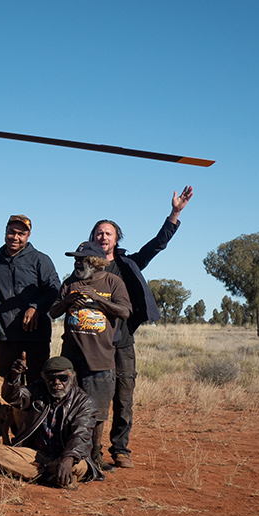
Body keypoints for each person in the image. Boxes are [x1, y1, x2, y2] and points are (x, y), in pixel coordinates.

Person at [91, 186, 194, 469]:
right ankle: (91, 450)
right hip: (92, 346)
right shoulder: (83, 270)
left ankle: (120, 450)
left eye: (107, 233)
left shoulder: (128, 265)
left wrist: (175, 213)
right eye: (98, 233)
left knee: (124, 396)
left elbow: (157, 245)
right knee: (92, 399)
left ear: (116, 239)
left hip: (121, 342)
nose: (103, 237)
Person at [49, 242, 132, 467]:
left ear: (95, 262)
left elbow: (125, 312)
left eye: (81, 260)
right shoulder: (70, 283)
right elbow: (53, 312)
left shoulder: (113, 282)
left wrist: (98, 298)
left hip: (101, 359)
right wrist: (67, 300)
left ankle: (95, 455)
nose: (76, 263)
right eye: (75, 259)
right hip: (71, 359)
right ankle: (69, 452)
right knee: (67, 407)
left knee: (97, 413)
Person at [0, 355, 102, 487]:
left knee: (79, 467)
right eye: (51, 378)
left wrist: (67, 459)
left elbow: (81, 436)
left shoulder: (84, 403)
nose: (57, 383)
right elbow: (13, 398)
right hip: (36, 455)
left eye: (63, 378)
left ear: (72, 377)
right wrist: (14, 377)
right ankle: (49, 476)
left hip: (68, 456)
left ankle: (31, 472)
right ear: (44, 378)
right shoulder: (38, 391)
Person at [0, 215, 61, 385]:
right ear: (5, 232)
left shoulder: (40, 259)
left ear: (28, 236)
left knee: (37, 383)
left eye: (20, 234)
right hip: (6, 336)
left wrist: (36, 308)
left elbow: (54, 290)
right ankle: (10, 413)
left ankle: (35, 412)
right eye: (11, 232)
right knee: (8, 383)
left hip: (36, 335)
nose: (15, 237)